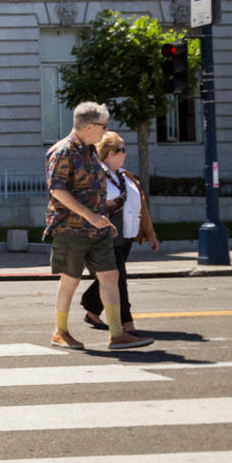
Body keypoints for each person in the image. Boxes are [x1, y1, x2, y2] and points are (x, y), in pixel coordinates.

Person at [45, 102, 152, 351]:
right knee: (70, 280)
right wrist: (89, 215)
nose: (106, 131)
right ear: (89, 126)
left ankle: (117, 334)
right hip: (71, 229)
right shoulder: (63, 151)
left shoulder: (91, 150)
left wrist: (103, 216)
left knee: (110, 276)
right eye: (103, 126)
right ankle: (60, 332)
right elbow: (57, 190)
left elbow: (94, 189)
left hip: (98, 227)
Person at [83, 131, 159, 336]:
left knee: (110, 277)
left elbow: (141, 208)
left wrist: (150, 234)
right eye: (120, 150)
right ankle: (126, 324)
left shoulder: (127, 177)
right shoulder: (98, 176)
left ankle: (91, 306)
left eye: (124, 149)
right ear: (108, 153)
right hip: (106, 237)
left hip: (126, 236)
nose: (124, 153)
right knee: (119, 280)